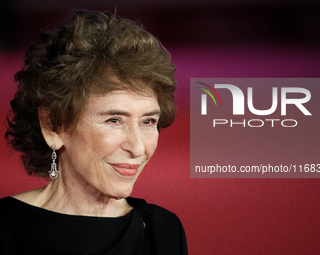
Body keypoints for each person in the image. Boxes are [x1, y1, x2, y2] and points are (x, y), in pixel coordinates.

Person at [0, 10, 188, 255]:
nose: (138, 148)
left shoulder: (162, 230)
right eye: (114, 120)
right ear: (53, 125)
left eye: (148, 121)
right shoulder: (5, 229)